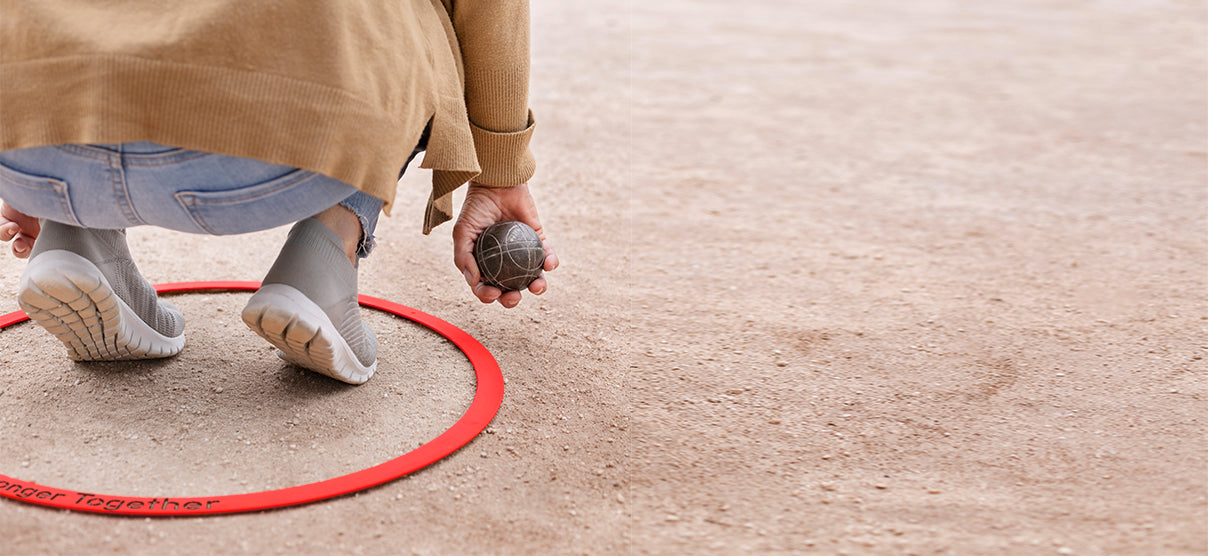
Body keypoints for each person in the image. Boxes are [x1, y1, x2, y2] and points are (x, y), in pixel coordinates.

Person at [0, 1, 557, 384]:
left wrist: (23, 156)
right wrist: (501, 172)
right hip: (265, 156)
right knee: (423, 17)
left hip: (40, 133)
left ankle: (73, 230)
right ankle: (324, 253)